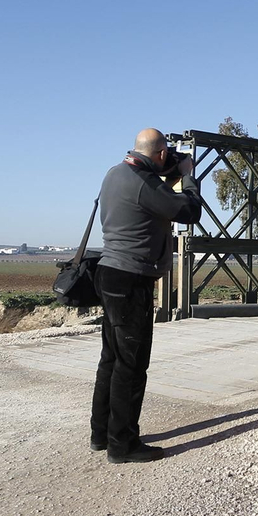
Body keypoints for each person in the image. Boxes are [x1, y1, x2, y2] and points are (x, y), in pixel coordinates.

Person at [91, 128, 204, 463]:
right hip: (131, 280)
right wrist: (188, 177)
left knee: (111, 359)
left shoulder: (116, 173)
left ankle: (102, 434)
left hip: (108, 273)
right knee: (132, 365)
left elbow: (154, 191)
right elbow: (189, 212)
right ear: (159, 155)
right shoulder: (144, 183)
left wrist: (167, 171)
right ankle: (122, 445)